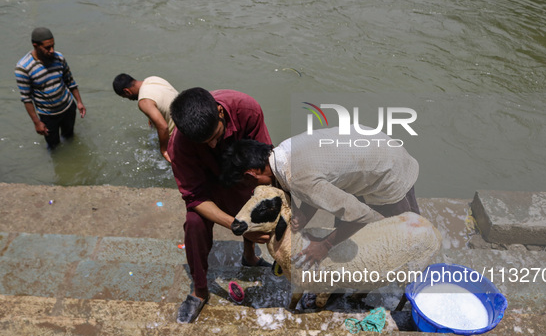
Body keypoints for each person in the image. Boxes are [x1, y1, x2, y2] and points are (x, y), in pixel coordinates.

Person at [220, 126, 420, 269]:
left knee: (405, 228)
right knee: (411, 216)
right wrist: (306, 214)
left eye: (250, 185)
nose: (255, 189)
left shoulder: (295, 177)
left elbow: (361, 214)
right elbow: (316, 178)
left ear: (251, 175)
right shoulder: (284, 150)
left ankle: (419, 271)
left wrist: (325, 245)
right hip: (378, 144)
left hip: (385, 168)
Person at [168, 87, 273, 323]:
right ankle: (200, 289)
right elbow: (194, 197)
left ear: (220, 112)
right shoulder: (179, 144)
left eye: (216, 136)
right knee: (194, 223)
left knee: (252, 195)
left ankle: (250, 257)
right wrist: (236, 225)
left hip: (238, 172)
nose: (214, 145)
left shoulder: (247, 110)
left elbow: (263, 161)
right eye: (206, 143)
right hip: (206, 183)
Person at [15, 27, 86, 149]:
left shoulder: (59, 58)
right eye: (47, 48)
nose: (52, 50)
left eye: (53, 46)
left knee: (69, 138)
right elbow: (26, 99)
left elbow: (70, 81)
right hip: (48, 115)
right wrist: (37, 122)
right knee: (53, 147)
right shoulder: (23, 68)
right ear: (36, 45)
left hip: (68, 108)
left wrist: (79, 102)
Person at [112, 74, 178, 162]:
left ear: (127, 91)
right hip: (188, 119)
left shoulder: (144, 101)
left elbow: (163, 127)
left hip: (178, 137)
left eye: (126, 97)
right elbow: (162, 100)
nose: (130, 100)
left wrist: (164, 150)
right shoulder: (153, 79)